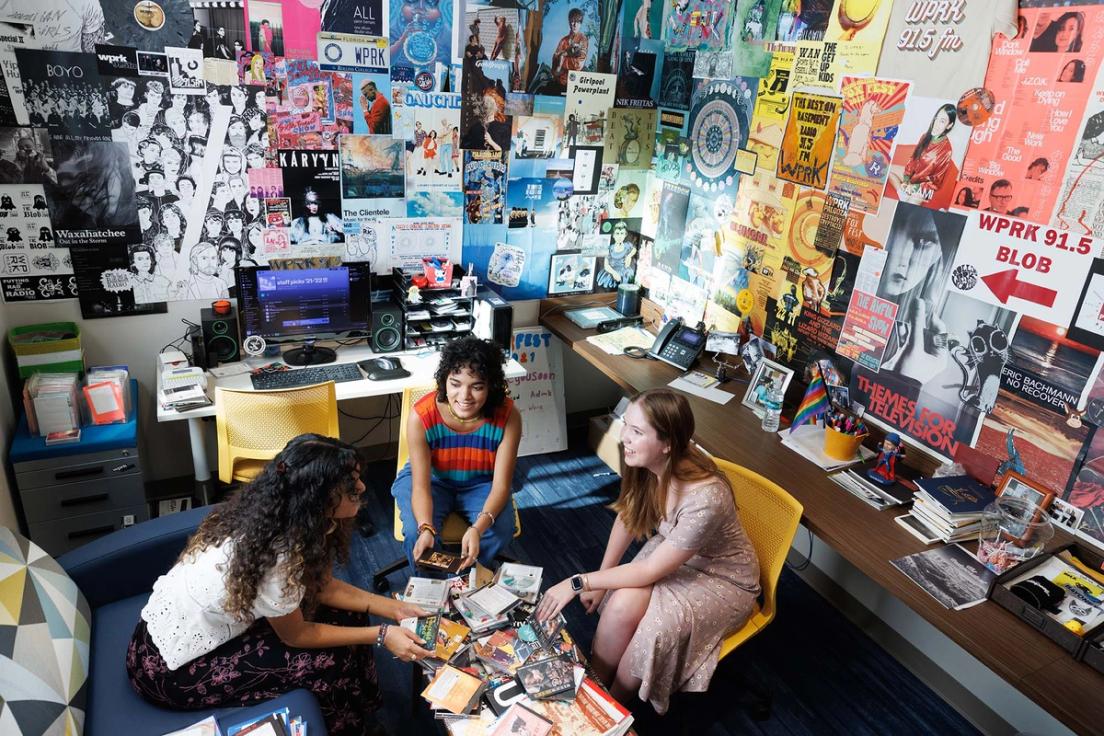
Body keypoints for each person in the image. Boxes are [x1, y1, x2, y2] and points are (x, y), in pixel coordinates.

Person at [127, 435, 433, 736]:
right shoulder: (277, 557)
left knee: (351, 619)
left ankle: (364, 712)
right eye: (350, 485)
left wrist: (392, 608)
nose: (363, 487)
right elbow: (297, 635)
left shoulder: (297, 519)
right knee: (328, 663)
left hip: (198, 625)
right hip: (168, 667)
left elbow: (321, 586)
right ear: (321, 497)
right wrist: (381, 634)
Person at [536, 389, 760, 714]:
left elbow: (649, 571)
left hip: (723, 579)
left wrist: (578, 582)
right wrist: (601, 585)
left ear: (667, 442)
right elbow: (630, 515)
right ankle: (596, 684)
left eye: (637, 432)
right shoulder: (648, 458)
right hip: (675, 552)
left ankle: (610, 708)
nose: (624, 437)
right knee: (619, 604)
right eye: (626, 425)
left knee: (652, 633)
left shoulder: (706, 497)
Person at [391, 336, 521, 569]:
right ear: (444, 381)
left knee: (499, 531)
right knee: (415, 534)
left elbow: (501, 485)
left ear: (491, 386)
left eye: (477, 386)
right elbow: (420, 486)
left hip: (482, 483)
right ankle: (428, 596)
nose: (464, 396)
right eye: (455, 383)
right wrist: (426, 528)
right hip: (432, 479)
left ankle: (464, 583)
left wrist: (476, 529)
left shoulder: (509, 416)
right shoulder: (422, 415)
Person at [894, 103, 956, 204]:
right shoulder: (925, 136)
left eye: (942, 121)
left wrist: (915, 187)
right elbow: (913, 159)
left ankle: (906, 195)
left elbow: (936, 181)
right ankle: (903, 193)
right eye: (936, 118)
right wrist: (906, 180)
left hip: (925, 186)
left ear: (949, 125)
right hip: (914, 177)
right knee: (888, 171)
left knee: (913, 201)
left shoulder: (946, 150)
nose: (936, 123)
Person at [552, 9, 589, 88]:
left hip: (575, 83)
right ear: (569, 22)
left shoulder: (583, 39)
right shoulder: (563, 40)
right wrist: (564, 58)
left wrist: (562, 58)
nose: (575, 24)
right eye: (572, 21)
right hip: (560, 82)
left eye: (578, 22)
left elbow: (578, 64)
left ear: (581, 24)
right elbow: (554, 60)